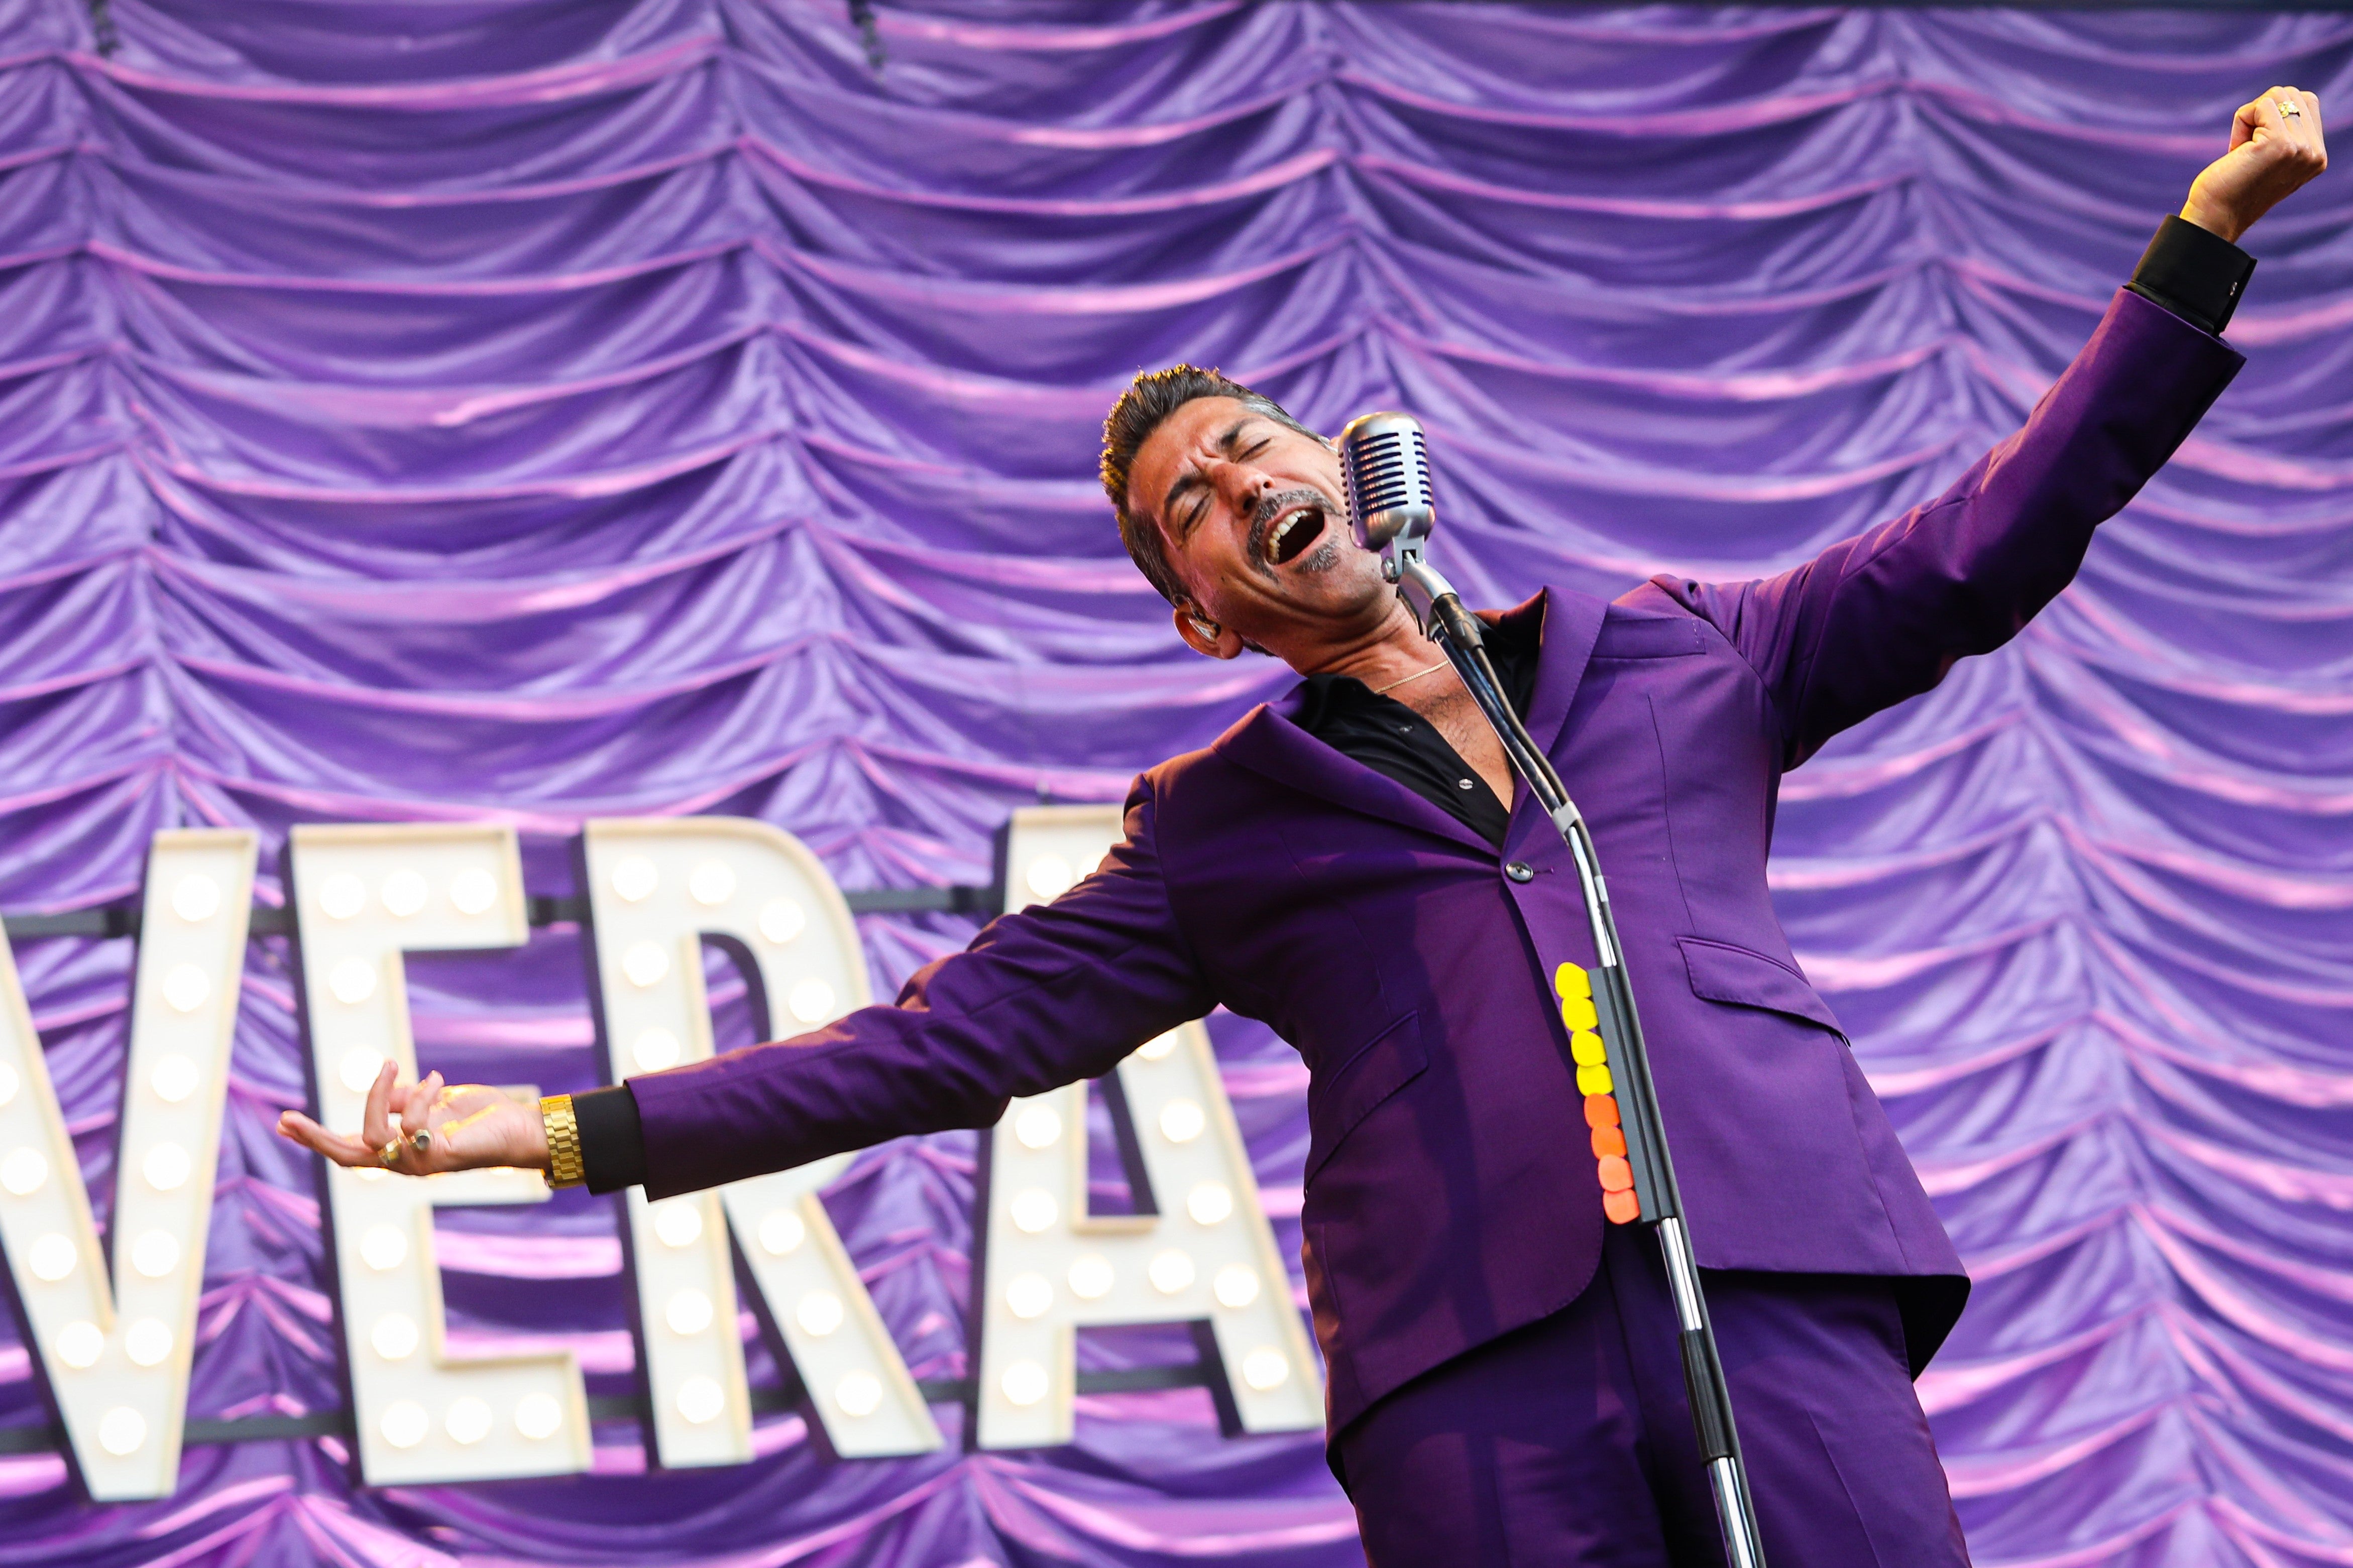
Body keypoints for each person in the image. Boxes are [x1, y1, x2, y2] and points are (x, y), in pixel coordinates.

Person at [283, 89, 2326, 1565]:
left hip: (1774, 1275)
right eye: (1185, 500)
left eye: (1245, 441)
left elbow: (1977, 546)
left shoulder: (1673, 652)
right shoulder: (1223, 825)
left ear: (1342, 468)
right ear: (1202, 610)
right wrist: (550, 1131)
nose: (1231, 479)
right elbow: (931, 1046)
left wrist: (2197, 241)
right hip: (1478, 1376)